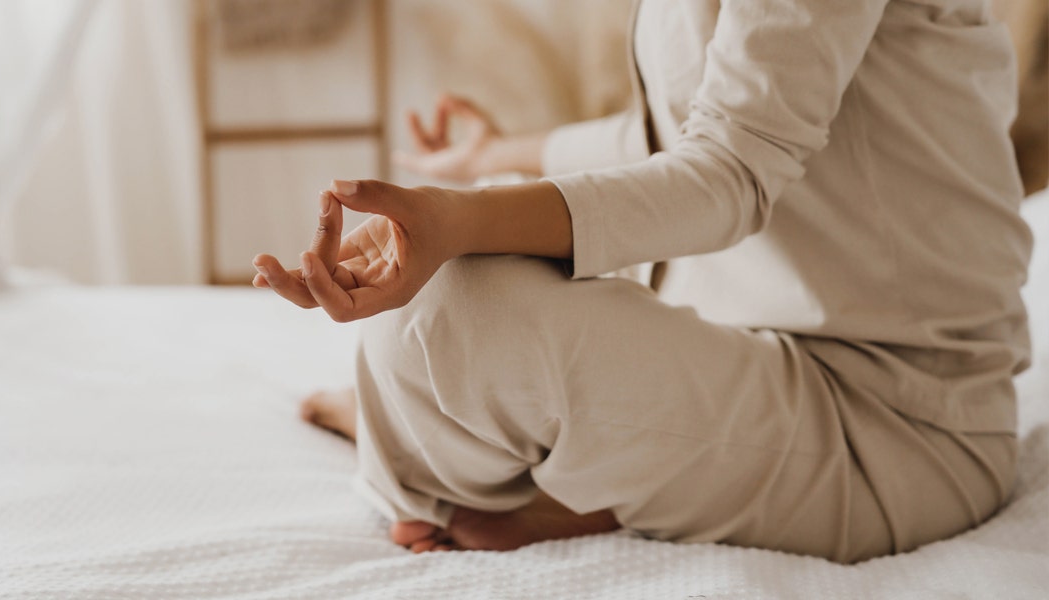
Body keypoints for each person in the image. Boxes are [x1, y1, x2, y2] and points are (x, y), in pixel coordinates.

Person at [252, 0, 1032, 563]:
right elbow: (684, 131)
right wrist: (492, 158)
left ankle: (445, 448)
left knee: (452, 314)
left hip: (902, 428)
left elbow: (729, 170)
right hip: (754, 354)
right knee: (446, 311)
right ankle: (473, 445)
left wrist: (463, 219)